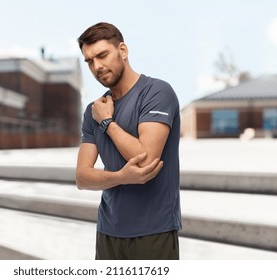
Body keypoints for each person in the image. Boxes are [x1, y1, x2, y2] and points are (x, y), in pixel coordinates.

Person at [75, 22, 181, 260]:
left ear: (122, 50)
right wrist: (121, 177)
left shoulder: (156, 93)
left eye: (102, 55)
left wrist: (107, 123)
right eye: (90, 61)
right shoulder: (94, 110)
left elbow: (145, 162)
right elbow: (82, 177)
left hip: (154, 232)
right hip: (107, 232)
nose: (97, 66)